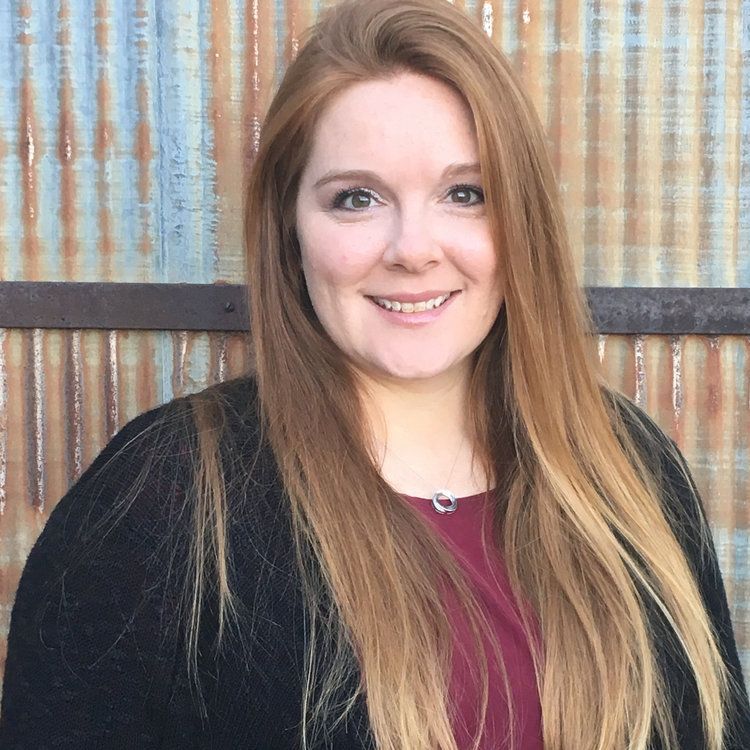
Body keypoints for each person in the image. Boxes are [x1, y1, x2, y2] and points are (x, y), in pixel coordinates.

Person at [1, 0, 749, 748]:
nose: (413, 249)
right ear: (291, 232)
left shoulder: (631, 467)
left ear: (522, 222)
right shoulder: (165, 500)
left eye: (466, 193)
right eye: (356, 198)